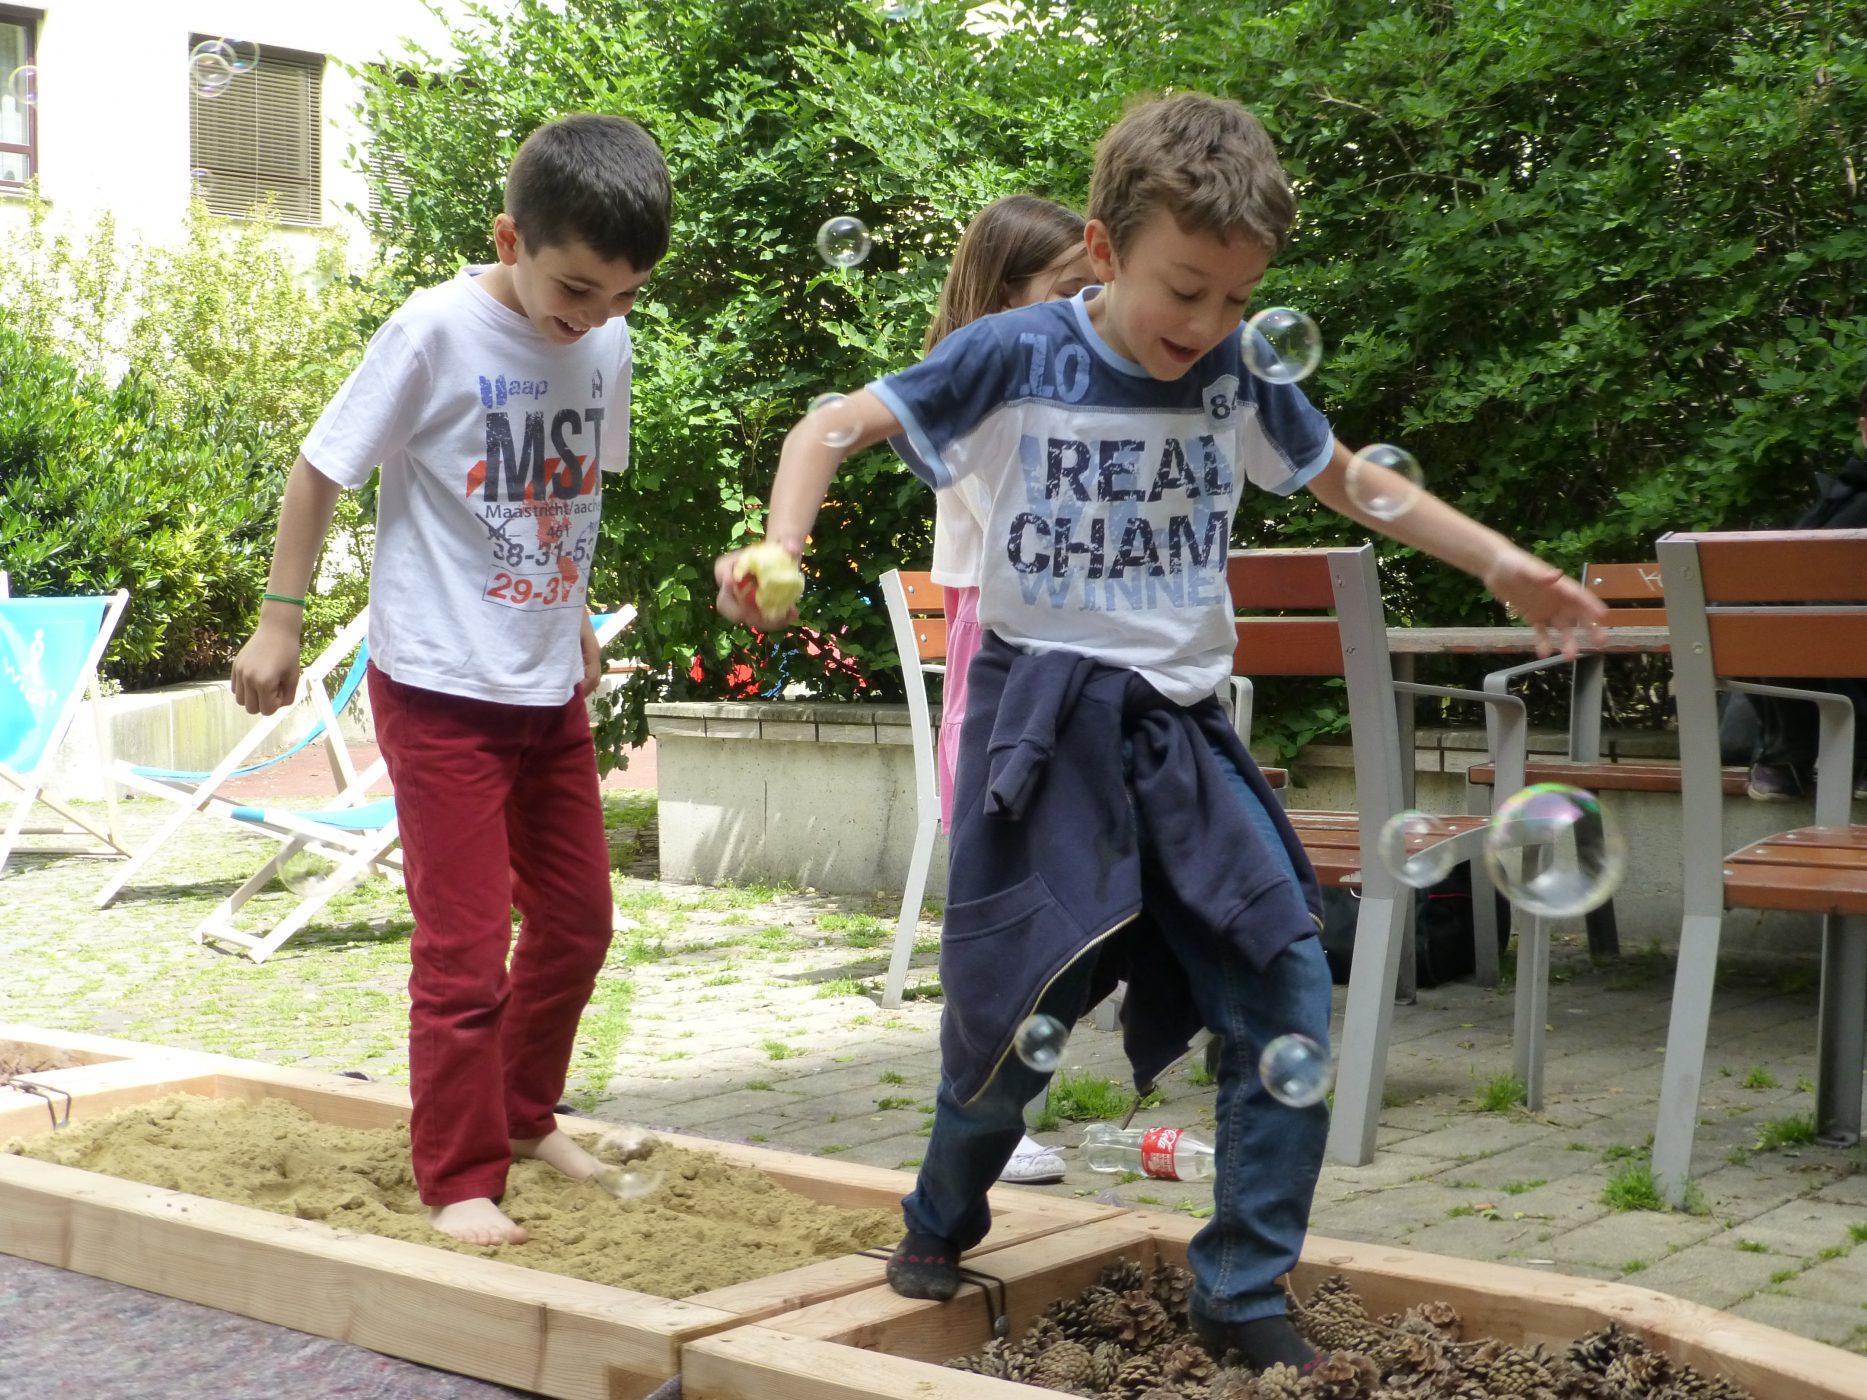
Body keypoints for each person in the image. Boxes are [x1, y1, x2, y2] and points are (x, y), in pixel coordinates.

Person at [715, 92, 1603, 1373]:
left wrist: (1501, 561)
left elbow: (1352, 478)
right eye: (1185, 290)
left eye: (1237, 300)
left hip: (1180, 730)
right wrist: (778, 543)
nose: (1207, 325)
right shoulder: (1015, 353)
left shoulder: (1235, 371)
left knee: (1283, 975)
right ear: (1104, 246)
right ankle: (940, 1213)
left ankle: (1240, 1285)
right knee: (1018, 1003)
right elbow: (830, 425)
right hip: (1043, 726)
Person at [230, 113, 672, 1248]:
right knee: (465, 951)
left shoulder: (605, 344)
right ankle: (459, 1178)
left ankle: (525, 1117)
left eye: (622, 296)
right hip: (437, 688)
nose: (593, 316)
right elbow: (320, 467)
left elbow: (568, 493)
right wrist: (280, 619)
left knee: (578, 924)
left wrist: (572, 612)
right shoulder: (434, 329)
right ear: (509, 239)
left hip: (544, 686)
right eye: (575, 288)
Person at [919, 195, 1094, 1188]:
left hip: (1054, 642)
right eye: (1067, 290)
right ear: (1002, 296)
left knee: (1046, 881)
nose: (1086, 310)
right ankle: (984, 1104)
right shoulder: (978, 391)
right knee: (997, 886)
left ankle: (1002, 1095)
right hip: (1005, 643)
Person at [1744, 379, 1867, 802]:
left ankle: (1790, 756)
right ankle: (1793, 755)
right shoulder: (1844, 497)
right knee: (1779, 602)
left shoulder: (1843, 497)